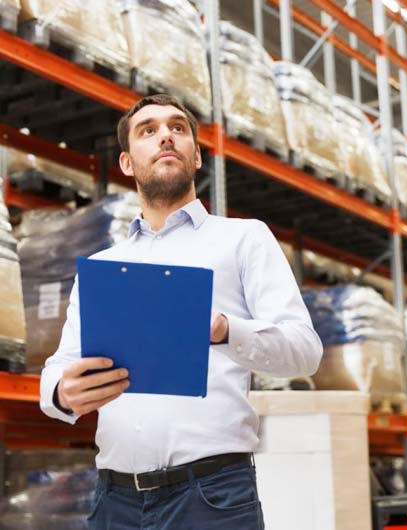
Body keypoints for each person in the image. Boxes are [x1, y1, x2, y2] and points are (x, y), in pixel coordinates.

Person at [40, 94, 323, 530]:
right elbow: (61, 363)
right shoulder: (101, 268)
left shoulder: (243, 239)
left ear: (196, 158)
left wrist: (226, 330)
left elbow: (305, 351)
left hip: (211, 498)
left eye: (178, 128)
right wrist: (61, 393)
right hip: (114, 502)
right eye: (148, 131)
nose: (165, 136)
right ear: (128, 163)